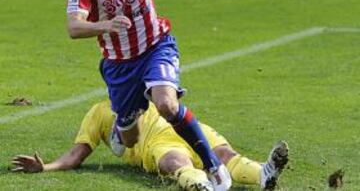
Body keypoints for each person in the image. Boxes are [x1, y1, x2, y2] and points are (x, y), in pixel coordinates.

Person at [66, 0, 229, 188]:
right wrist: (107, 25)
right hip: (120, 66)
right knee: (129, 139)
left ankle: (213, 165)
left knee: (167, 105)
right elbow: (74, 27)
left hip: (155, 47)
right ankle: (121, 124)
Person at [11, 101, 289, 191]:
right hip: (156, 142)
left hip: (189, 127)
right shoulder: (98, 113)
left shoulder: (151, 85)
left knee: (226, 154)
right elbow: (76, 155)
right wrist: (45, 167)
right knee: (176, 162)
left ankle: (264, 174)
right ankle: (200, 185)